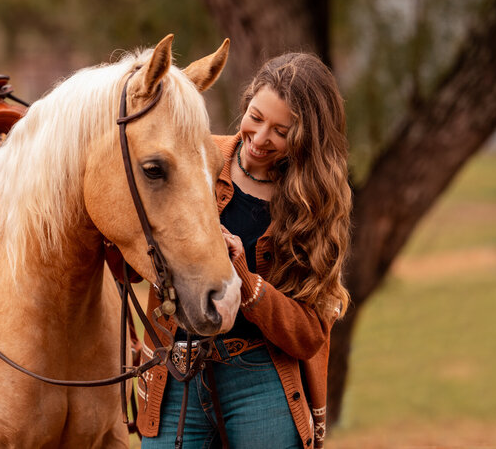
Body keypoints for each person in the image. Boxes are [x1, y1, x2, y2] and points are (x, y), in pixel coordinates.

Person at [137, 53, 352, 449]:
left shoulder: (314, 206)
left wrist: (246, 279)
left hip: (258, 377)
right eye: (256, 116)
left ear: (305, 138)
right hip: (177, 373)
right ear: (247, 102)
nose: (260, 136)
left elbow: (309, 335)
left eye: (281, 131)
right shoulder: (197, 160)